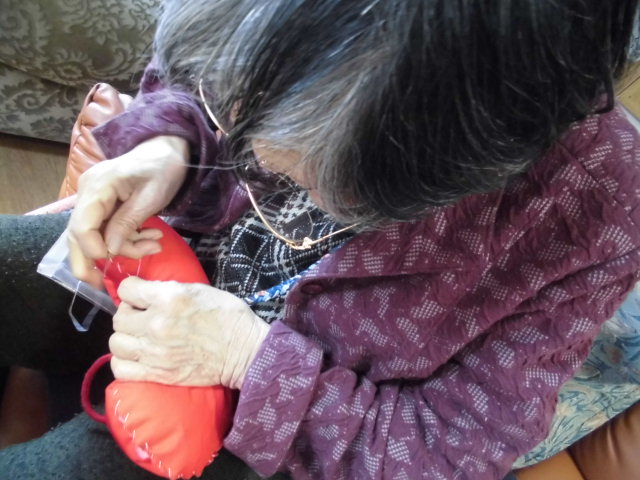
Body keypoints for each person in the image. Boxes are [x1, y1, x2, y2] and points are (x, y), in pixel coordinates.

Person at [1, 0, 640, 479]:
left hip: (273, 430)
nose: (253, 159)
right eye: (243, 111)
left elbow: (451, 454)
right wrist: (170, 141)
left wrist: (248, 360)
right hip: (163, 256)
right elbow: (190, 72)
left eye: (307, 160)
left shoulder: (598, 206)